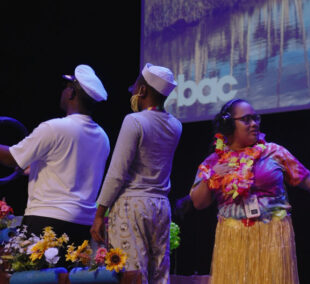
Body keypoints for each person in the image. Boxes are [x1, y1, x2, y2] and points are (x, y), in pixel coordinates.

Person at [187, 99, 310, 284]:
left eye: (255, 118)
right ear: (229, 124)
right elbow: (199, 203)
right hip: (232, 239)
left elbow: (308, 179)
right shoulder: (214, 161)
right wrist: (213, 175)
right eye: (246, 119)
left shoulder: (274, 152)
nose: (254, 123)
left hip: (273, 234)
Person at [90, 63, 182, 284]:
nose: (132, 91)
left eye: (135, 87)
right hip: (160, 206)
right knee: (159, 273)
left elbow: (117, 173)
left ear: (143, 91)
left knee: (133, 273)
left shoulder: (134, 121)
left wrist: (100, 214)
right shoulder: (176, 125)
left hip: (132, 206)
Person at [0, 64, 110, 246]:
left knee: (23, 273)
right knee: (65, 274)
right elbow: (67, 166)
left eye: (66, 87)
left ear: (72, 93)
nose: (63, 92)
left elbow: (12, 157)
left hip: (46, 220)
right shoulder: (102, 137)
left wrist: (18, 161)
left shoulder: (54, 128)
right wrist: (32, 169)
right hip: (81, 225)